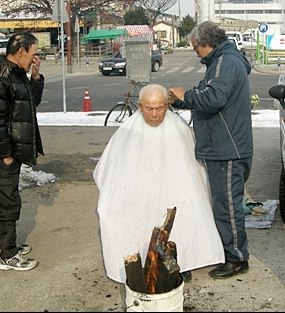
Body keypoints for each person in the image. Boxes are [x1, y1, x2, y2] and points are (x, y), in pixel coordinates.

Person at [93, 83, 224, 284]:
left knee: (184, 211)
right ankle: (142, 257)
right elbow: (106, 170)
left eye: (159, 108)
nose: (154, 114)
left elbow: (193, 169)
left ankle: (183, 259)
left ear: (168, 104)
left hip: (175, 189)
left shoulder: (179, 128)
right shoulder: (127, 131)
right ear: (139, 105)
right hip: (138, 190)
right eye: (149, 108)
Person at [168, 21, 254, 279]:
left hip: (227, 149)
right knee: (221, 204)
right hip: (223, 146)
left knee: (227, 206)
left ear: (207, 43)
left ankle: (238, 258)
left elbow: (213, 98)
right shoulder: (222, 62)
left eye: (196, 48)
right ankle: (226, 251)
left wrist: (185, 95)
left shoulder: (225, 62)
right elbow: (208, 97)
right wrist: (182, 102)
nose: (195, 53)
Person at [0, 32, 45, 271]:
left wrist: (35, 77)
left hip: (8, 149)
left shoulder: (15, 74)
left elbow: (30, 102)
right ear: (21, 51)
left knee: (5, 199)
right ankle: (8, 255)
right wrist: (5, 153)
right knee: (8, 203)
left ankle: (2, 242)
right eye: (33, 54)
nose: (35, 59)